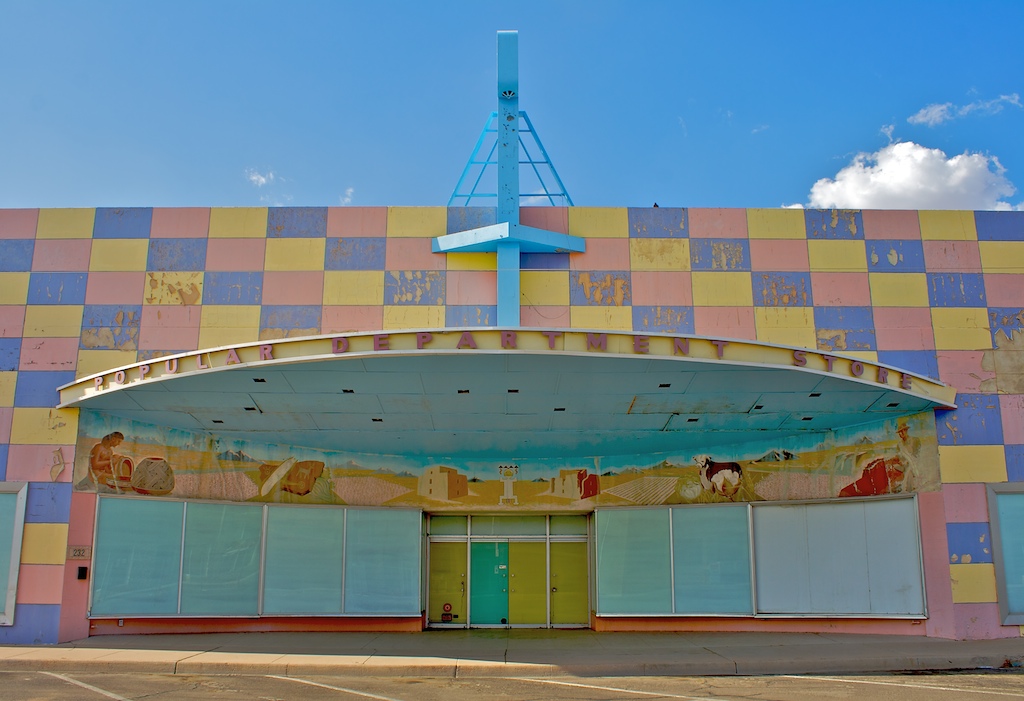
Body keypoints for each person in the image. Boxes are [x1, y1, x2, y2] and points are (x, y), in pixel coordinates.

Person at [839, 419, 919, 497]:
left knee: (902, 472)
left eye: (902, 431)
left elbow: (915, 453)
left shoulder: (914, 440)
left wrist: (906, 461)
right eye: (899, 432)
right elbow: (898, 455)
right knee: (883, 465)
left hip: (909, 463)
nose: (901, 434)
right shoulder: (900, 444)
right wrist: (891, 459)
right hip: (900, 463)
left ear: (906, 430)